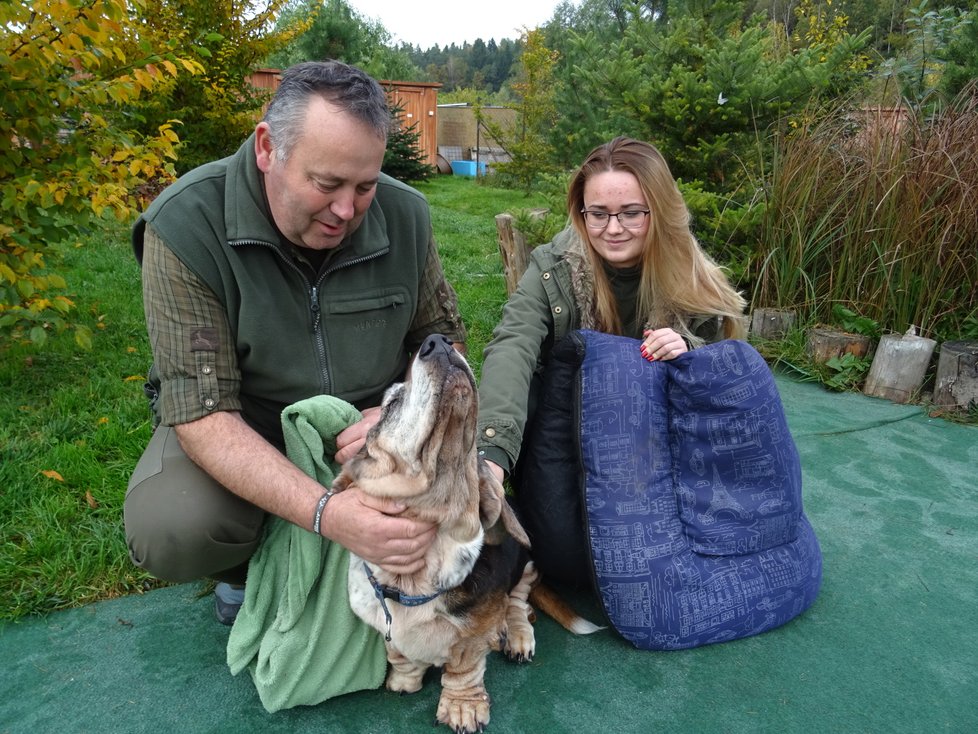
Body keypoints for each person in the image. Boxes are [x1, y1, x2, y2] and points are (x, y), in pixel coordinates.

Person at [125, 60, 467, 624]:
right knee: (174, 525)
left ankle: (358, 565)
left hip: (373, 431)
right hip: (249, 423)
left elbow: (441, 343)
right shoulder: (185, 225)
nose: (346, 210)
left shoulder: (407, 215)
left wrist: (394, 416)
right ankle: (254, 571)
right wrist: (328, 513)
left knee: (493, 494)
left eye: (365, 187)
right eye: (326, 183)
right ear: (267, 149)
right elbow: (201, 412)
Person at [476, 135, 746, 485]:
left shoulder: (693, 278)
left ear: (659, 210)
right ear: (581, 212)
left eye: (632, 213)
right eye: (599, 215)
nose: (613, 229)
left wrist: (688, 353)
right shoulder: (554, 267)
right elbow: (513, 345)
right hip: (566, 432)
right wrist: (490, 454)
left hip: (657, 444)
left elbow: (728, 376)